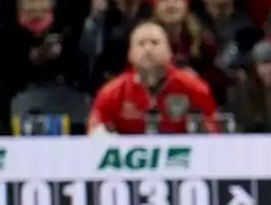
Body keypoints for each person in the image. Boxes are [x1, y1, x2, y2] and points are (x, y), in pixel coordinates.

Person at [88, 20, 219, 133]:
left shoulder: (192, 86)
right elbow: (95, 128)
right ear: (130, 54)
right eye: (141, 43)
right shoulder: (113, 91)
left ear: (169, 52)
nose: (148, 49)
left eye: (155, 42)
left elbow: (213, 127)